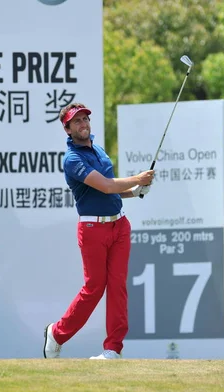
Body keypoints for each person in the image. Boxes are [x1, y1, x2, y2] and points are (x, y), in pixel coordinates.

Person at [43, 103, 154, 360]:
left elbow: (114, 189)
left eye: (85, 119)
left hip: (119, 226)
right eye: (77, 121)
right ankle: (57, 333)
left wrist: (135, 191)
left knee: (118, 287)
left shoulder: (98, 150)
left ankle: (113, 349)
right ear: (67, 129)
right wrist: (138, 179)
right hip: (93, 228)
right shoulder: (72, 160)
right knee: (94, 288)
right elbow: (104, 186)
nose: (83, 124)